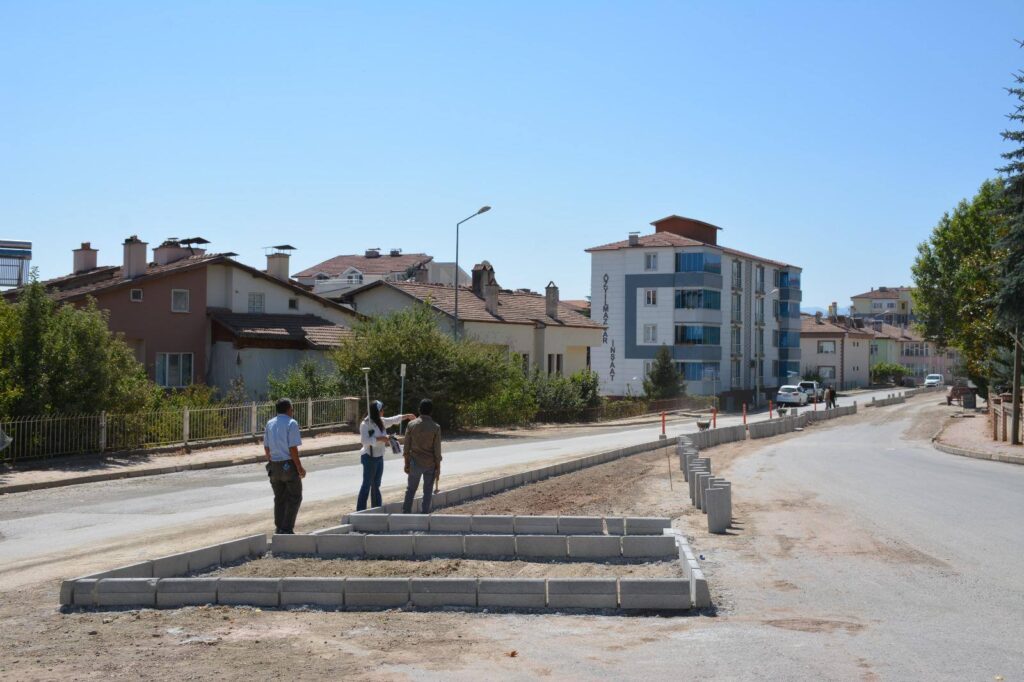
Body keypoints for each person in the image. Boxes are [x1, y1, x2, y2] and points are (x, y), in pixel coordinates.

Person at [356, 400, 414, 511]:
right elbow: (364, 441)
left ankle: (377, 509)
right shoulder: (365, 424)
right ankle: (360, 511)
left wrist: (407, 416)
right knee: (366, 485)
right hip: (369, 457)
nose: (383, 412)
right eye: (382, 410)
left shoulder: (380, 421)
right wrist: (381, 439)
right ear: (376, 411)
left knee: (376, 485)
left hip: (379, 457)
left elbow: (393, 419)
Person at [264, 398, 305, 534]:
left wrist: (271, 462)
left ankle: (279, 527)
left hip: (274, 465)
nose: (292, 412)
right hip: (288, 463)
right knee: (295, 496)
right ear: (288, 409)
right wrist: (299, 467)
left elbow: (266, 447)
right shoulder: (291, 423)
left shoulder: (270, 423)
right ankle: (287, 528)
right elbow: (293, 448)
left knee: (279, 498)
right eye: (292, 409)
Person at [402, 398, 443, 514]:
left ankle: (405, 513)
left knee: (410, 490)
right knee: (428, 490)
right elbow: (437, 451)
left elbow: (406, 447)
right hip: (430, 464)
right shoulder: (436, 427)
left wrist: (406, 463)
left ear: (419, 410)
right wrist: (438, 469)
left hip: (414, 463)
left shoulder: (411, 425)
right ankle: (425, 514)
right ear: (431, 411)